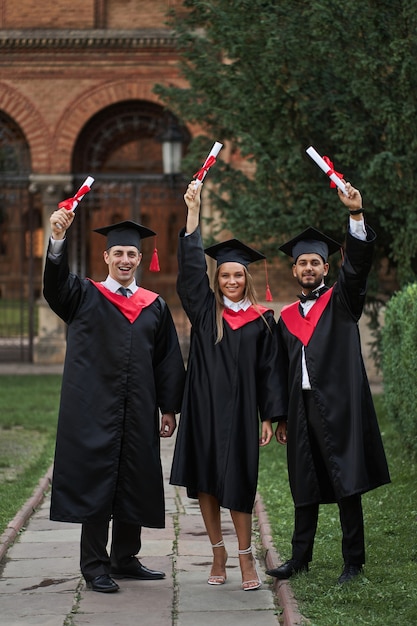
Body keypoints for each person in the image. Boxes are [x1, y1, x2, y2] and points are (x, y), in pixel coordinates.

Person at [43, 207, 185, 593]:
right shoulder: (83, 294)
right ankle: (94, 566)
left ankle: (125, 558)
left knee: (134, 478)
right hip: (94, 408)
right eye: (118, 253)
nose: (125, 260)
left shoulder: (153, 305)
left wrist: (169, 408)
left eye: (131, 254)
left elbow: (168, 358)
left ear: (140, 259)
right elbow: (53, 287)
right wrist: (56, 240)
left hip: (138, 406)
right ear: (106, 257)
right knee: (96, 481)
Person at [266, 181, 391, 585]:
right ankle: (299, 558)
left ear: (325, 266)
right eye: (301, 263)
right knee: (304, 484)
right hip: (301, 408)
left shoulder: (341, 301)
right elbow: (277, 371)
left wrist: (355, 216)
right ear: (294, 269)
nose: (307, 269)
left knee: (346, 482)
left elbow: (356, 268)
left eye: (314, 263)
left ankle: (353, 562)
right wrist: (279, 416)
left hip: (339, 405)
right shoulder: (285, 318)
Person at [170, 181, 286, 591]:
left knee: (239, 481)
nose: (232, 280)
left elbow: (271, 371)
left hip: (241, 412)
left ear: (246, 277)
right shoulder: (205, 313)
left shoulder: (262, 320)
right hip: (203, 407)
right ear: (216, 279)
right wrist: (193, 214)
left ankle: (244, 555)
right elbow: (188, 271)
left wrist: (271, 416)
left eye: (238, 274)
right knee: (205, 479)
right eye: (225, 275)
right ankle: (217, 552)